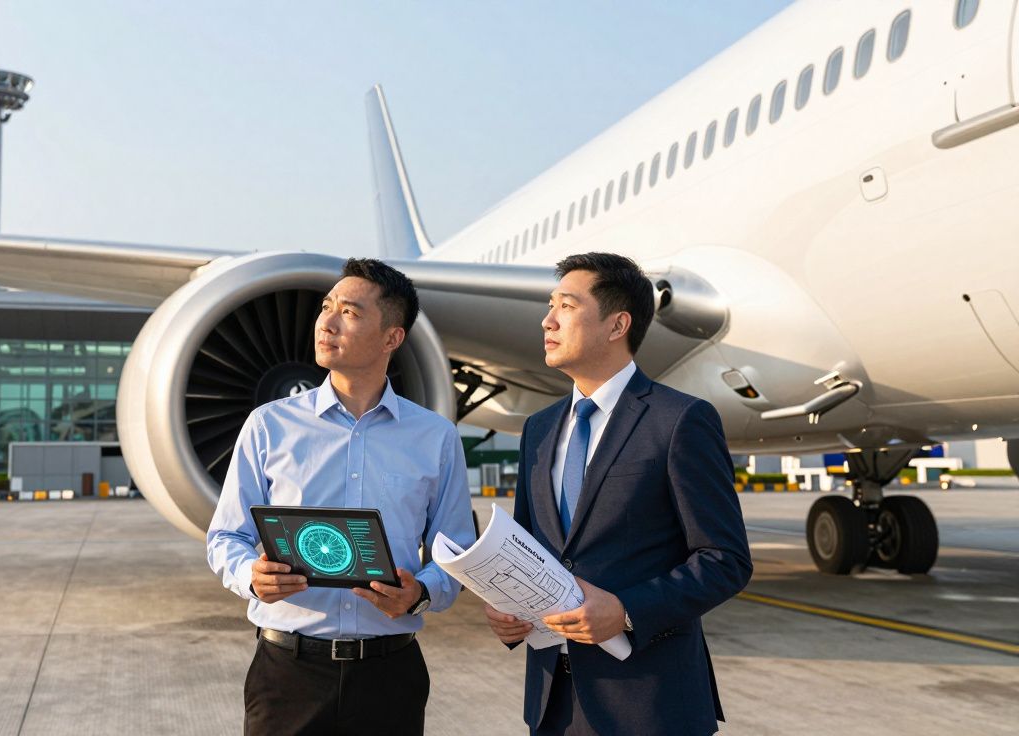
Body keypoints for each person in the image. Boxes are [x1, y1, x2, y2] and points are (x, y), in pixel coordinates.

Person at [484, 252, 752, 736]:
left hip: (650, 706)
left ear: (617, 324)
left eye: (565, 305)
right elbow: (526, 549)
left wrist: (627, 610)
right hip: (551, 705)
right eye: (550, 305)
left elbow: (725, 559)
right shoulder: (538, 430)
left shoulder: (679, 420)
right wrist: (507, 607)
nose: (547, 320)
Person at [207, 257, 476, 736]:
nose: (326, 322)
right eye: (326, 307)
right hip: (288, 672)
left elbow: (454, 551)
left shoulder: (435, 438)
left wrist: (419, 595)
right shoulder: (269, 425)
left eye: (349, 313)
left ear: (392, 337)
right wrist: (252, 576)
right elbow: (226, 535)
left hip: (390, 676)